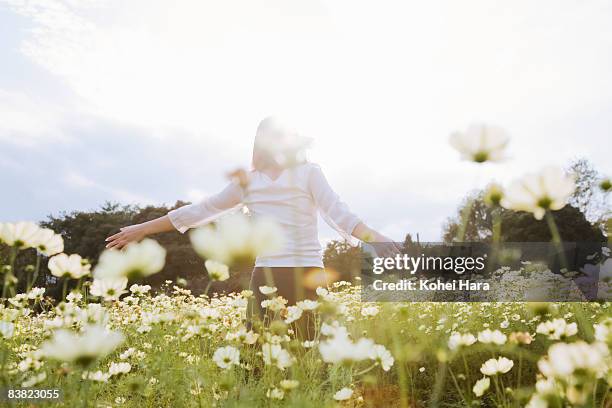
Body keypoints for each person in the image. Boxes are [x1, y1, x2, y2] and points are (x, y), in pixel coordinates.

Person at [105, 117, 397, 328]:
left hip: (308, 273)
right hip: (267, 275)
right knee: (258, 356)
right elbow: (202, 210)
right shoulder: (248, 182)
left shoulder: (309, 172)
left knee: (310, 356)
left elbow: (338, 211)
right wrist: (142, 229)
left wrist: (376, 238)